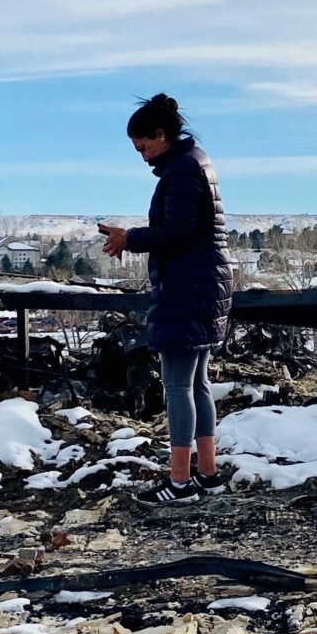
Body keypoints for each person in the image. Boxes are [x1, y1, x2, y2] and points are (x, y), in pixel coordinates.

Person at [100, 94, 233, 504]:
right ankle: (206, 473)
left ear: (161, 135)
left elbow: (177, 233)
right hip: (206, 284)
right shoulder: (195, 162)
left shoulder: (181, 170)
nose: (141, 156)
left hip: (187, 286)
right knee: (198, 383)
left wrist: (131, 238)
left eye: (143, 147)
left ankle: (179, 482)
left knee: (177, 386)